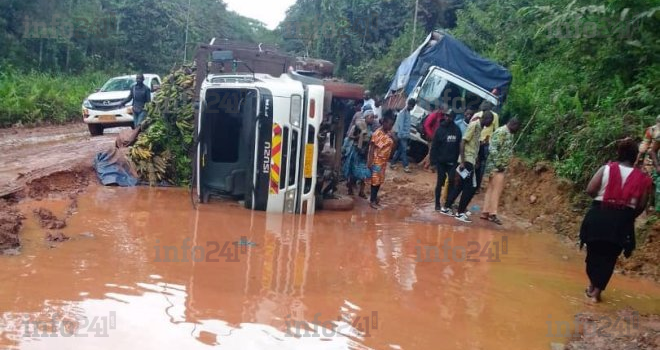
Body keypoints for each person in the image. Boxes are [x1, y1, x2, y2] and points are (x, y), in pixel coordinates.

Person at [580, 138, 651, 303]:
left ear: (618, 153)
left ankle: (593, 288)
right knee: (610, 257)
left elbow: (590, 189)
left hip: (598, 216)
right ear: (635, 158)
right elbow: (641, 205)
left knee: (593, 252)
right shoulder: (642, 179)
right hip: (621, 222)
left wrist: (603, 199)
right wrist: (627, 214)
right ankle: (596, 291)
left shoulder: (605, 169)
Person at [441, 111, 494, 222]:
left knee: (460, 185)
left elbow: (473, 144)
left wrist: (477, 158)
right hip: (467, 161)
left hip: (471, 160)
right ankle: (460, 213)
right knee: (471, 187)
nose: (491, 123)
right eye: (491, 121)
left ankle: (446, 207)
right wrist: (462, 162)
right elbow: (463, 142)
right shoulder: (474, 125)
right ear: (486, 118)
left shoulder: (479, 127)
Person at [480, 118, 521, 225]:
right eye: (517, 127)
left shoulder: (509, 133)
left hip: (497, 167)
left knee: (491, 189)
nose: (517, 130)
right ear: (513, 124)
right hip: (496, 167)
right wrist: (499, 164)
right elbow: (493, 149)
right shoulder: (501, 132)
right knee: (496, 191)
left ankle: (485, 212)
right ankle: (492, 214)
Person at [430, 111, 462, 212]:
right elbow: (434, 146)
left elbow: (459, 146)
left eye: (450, 117)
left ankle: (448, 203)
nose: (448, 118)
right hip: (441, 162)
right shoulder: (440, 129)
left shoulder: (457, 130)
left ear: (454, 118)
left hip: (452, 162)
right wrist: (433, 163)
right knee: (440, 183)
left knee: (452, 182)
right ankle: (437, 204)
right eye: (446, 116)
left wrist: (459, 161)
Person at [343, 110, 377, 198]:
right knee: (353, 171)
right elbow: (349, 136)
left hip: (364, 152)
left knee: (364, 172)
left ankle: (361, 192)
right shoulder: (358, 126)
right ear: (366, 117)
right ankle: (350, 188)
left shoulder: (370, 128)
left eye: (373, 117)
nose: (372, 119)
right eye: (371, 117)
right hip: (356, 151)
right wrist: (359, 136)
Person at [367, 110, 397, 209]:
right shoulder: (377, 133)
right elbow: (371, 148)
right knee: (375, 181)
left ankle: (375, 198)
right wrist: (370, 161)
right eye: (389, 124)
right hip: (377, 160)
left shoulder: (389, 133)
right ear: (384, 122)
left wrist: (393, 138)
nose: (390, 126)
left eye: (392, 125)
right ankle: (372, 200)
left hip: (384, 161)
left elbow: (394, 145)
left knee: (380, 180)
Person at [471, 101, 500, 192]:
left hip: (486, 144)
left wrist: (490, 141)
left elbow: (496, 131)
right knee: (474, 163)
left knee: (482, 165)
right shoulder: (477, 115)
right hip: (477, 142)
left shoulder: (495, 116)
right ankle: (471, 183)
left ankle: (477, 185)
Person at [637, 115, 660, 212]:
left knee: (654, 182)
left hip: (655, 157)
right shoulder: (651, 130)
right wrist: (639, 158)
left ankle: (652, 205)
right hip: (651, 159)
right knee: (651, 182)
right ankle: (650, 205)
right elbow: (644, 145)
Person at [390, 98, 416, 173]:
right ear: (410, 105)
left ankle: (392, 163)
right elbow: (400, 126)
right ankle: (406, 166)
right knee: (404, 151)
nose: (412, 108)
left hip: (405, 135)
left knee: (400, 150)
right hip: (402, 135)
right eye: (412, 106)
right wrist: (400, 136)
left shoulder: (408, 112)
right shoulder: (403, 113)